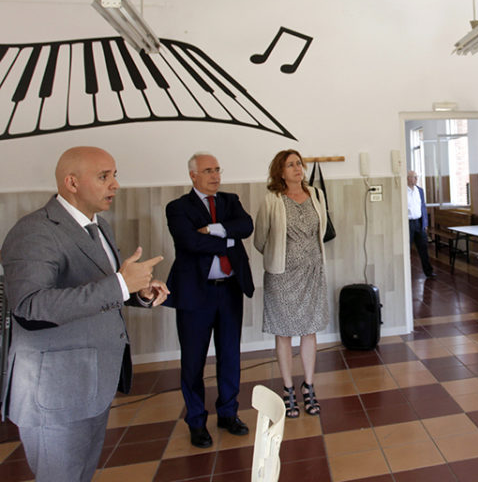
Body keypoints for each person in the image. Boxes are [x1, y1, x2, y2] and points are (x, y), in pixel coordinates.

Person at [1, 146, 168, 482]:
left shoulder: (99, 227)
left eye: (115, 174)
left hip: (92, 384)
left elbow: (95, 291)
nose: (115, 184)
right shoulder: (34, 231)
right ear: (72, 183)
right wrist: (121, 285)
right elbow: (30, 307)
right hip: (56, 391)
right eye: (104, 176)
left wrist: (138, 294)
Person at [165, 152, 254, 448]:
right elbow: (190, 242)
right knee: (193, 361)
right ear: (193, 175)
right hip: (195, 294)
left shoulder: (230, 201)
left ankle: (228, 414)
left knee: (230, 355)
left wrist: (216, 231)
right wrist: (229, 239)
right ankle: (196, 421)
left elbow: (246, 226)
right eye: (208, 171)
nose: (215, 176)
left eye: (217, 170)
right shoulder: (178, 207)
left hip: (229, 290)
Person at [253, 150, 328, 419]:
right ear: (280, 172)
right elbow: (260, 239)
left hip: (312, 273)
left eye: (299, 163)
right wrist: (280, 258)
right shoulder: (272, 200)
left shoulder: (316, 195)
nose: (297, 168)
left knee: (309, 330)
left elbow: (323, 230)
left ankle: (309, 386)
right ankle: (287, 390)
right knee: (283, 332)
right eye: (290, 165)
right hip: (282, 276)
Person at [406, 170, 434, 278]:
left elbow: (423, 207)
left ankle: (429, 271)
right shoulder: (403, 191)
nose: (416, 179)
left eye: (416, 177)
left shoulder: (420, 191)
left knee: (423, 248)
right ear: (408, 178)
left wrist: (425, 224)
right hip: (408, 223)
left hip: (419, 223)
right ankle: (407, 274)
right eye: (414, 177)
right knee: (407, 249)